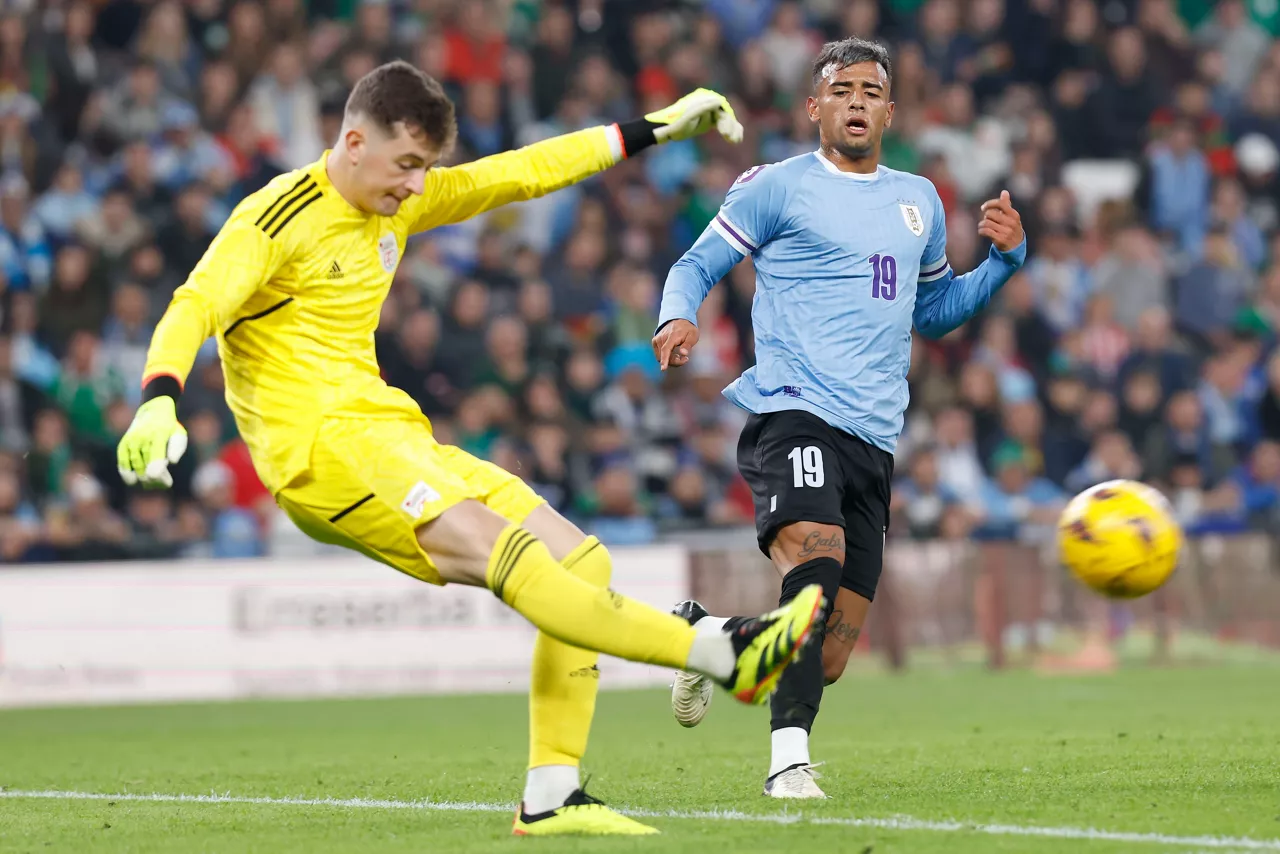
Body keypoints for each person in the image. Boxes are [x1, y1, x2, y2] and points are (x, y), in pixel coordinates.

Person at [115, 61, 827, 836]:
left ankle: (552, 793)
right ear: (354, 141)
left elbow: (519, 173)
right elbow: (195, 304)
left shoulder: (393, 206)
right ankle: (721, 652)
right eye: (406, 165)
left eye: (425, 168)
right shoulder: (276, 216)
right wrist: (159, 397)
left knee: (579, 559)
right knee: (508, 551)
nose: (418, 187)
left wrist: (655, 126)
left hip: (390, 435)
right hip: (322, 455)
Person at [652, 38, 1027, 799]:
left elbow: (934, 311)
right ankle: (788, 763)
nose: (856, 100)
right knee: (814, 572)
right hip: (794, 412)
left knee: (824, 653)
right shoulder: (776, 187)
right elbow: (695, 264)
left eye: (870, 90)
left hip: (874, 437)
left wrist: (1001, 265)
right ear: (814, 106)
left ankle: (700, 639)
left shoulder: (918, 198)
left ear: (890, 110)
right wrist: (677, 316)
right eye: (841, 88)